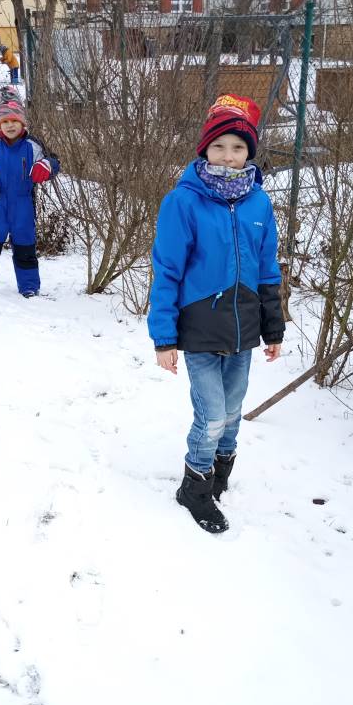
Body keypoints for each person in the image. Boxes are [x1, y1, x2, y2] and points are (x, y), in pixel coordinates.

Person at [148, 94, 285, 535]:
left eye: (238, 147)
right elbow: (167, 271)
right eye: (220, 146)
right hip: (200, 329)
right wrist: (164, 338)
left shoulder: (258, 203)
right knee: (211, 416)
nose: (229, 155)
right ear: (205, 148)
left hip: (244, 329)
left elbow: (268, 268)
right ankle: (195, 486)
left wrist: (273, 328)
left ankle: (221, 474)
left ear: (250, 152)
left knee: (233, 411)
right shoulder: (182, 202)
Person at [0, 88, 59, 297]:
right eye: (5, 121)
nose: (10, 125)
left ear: (22, 123)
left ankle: (29, 286)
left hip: (23, 206)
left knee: (25, 249)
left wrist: (46, 165)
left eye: (14, 121)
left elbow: (53, 161)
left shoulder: (33, 146)